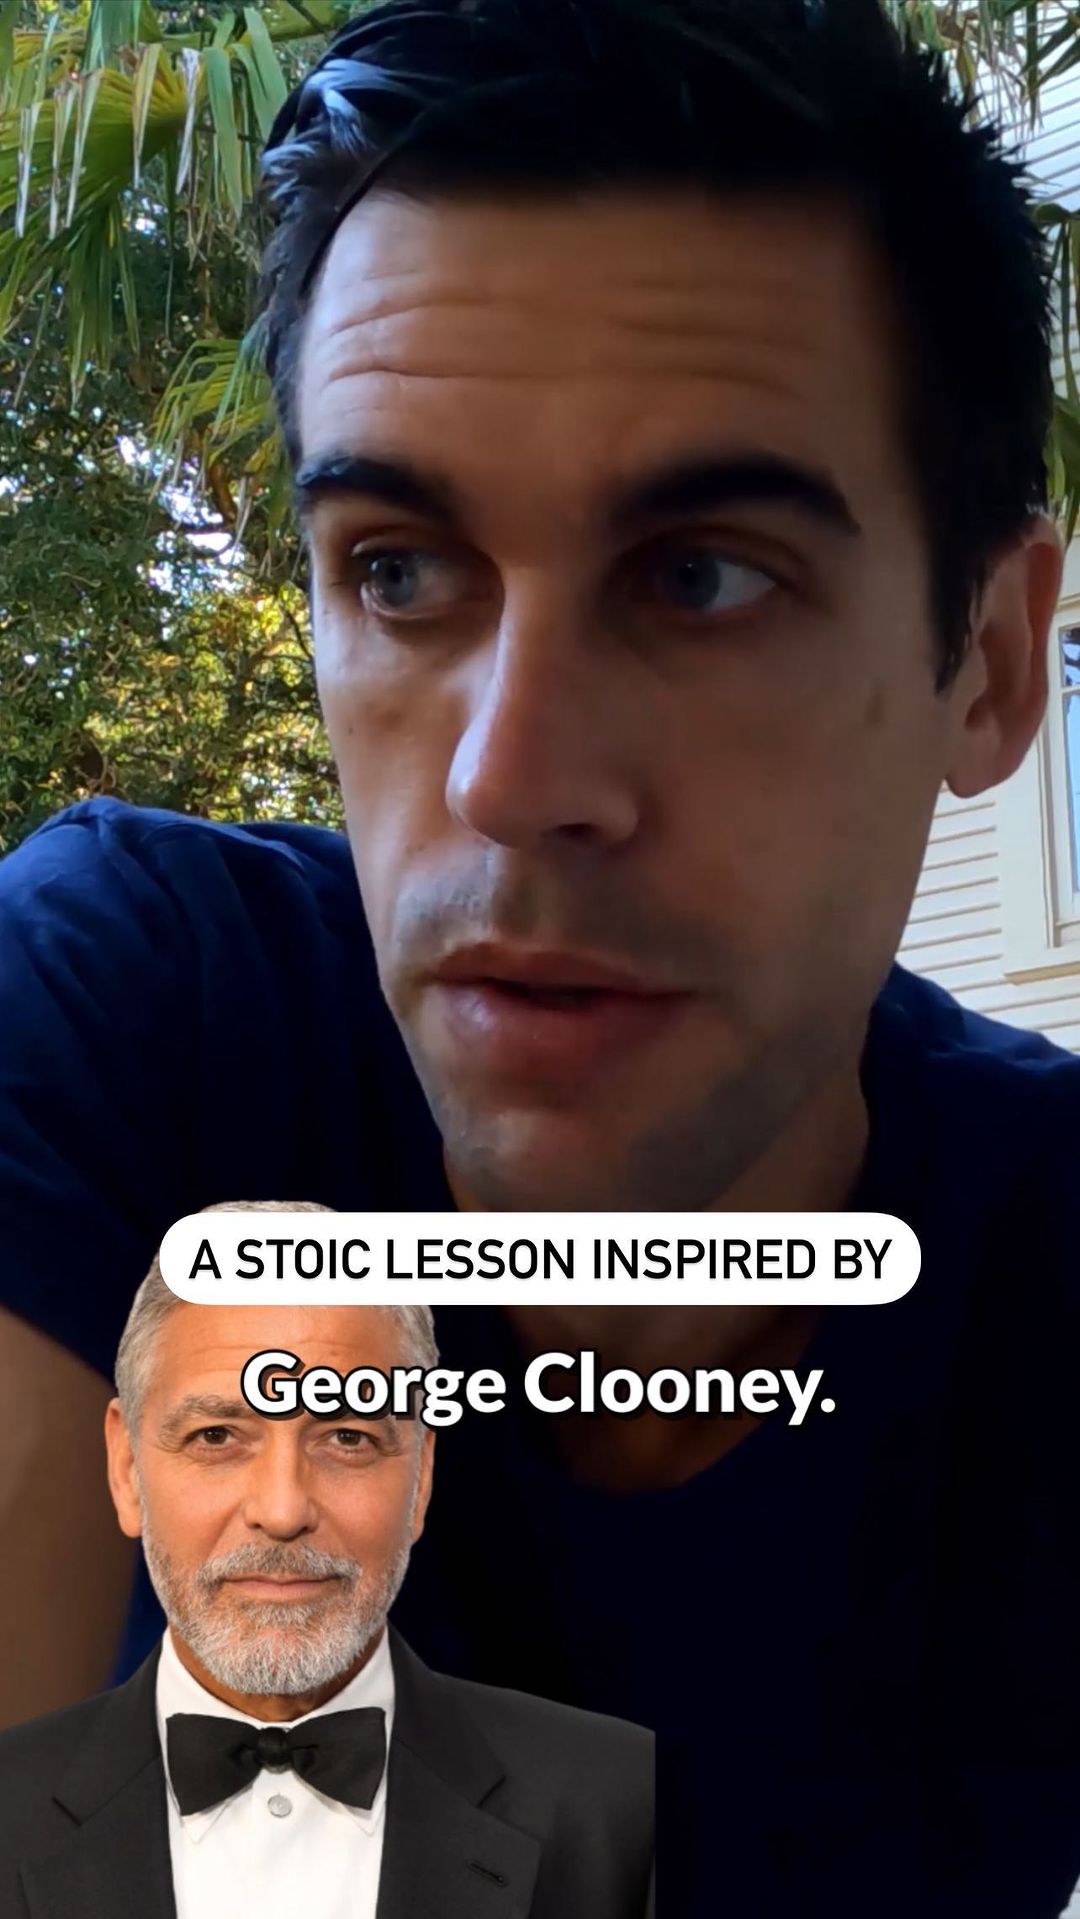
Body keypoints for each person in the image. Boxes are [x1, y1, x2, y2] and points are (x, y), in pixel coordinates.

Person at [1, 0, 1079, 1912]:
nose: (507, 778)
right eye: (400, 570)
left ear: (988, 661)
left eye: (702, 575)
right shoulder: (133, 1010)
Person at [0, 1252, 654, 1919]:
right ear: (126, 1468)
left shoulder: (622, 1804)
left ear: (421, 1477)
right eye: (217, 1435)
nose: (283, 1510)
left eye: (346, 1436)